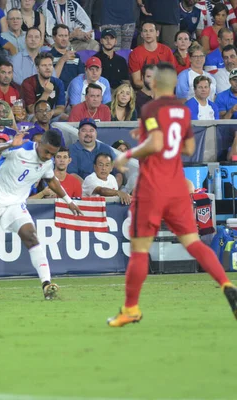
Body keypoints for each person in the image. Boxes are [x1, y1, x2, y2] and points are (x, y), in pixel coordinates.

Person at [108, 62, 237, 327]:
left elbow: (155, 142)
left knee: (140, 250)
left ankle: (131, 308)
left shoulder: (151, 108)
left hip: (153, 188)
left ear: (154, 83)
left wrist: (128, 153)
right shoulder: (181, 110)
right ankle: (226, 284)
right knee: (193, 243)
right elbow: (188, 147)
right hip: (178, 186)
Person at [0, 129, 82, 301]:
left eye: (52, 155)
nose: (48, 157)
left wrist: (68, 201)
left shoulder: (47, 162)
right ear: (40, 142)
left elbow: (51, 180)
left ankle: (47, 284)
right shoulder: (20, 149)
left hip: (15, 204)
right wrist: (9, 143)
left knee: (30, 235)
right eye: (47, 152)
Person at [67, 118, 118, 183]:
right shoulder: (71, 150)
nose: (88, 133)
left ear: (96, 133)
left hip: (108, 188)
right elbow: (71, 174)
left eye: (91, 130)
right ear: (78, 133)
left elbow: (119, 173)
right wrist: (89, 188)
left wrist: (115, 188)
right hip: (83, 190)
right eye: (84, 130)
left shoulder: (106, 149)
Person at [128, 22, 176, 90]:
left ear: (157, 33)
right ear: (141, 34)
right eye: (145, 31)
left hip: (163, 91)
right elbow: (137, 82)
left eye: (151, 30)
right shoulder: (135, 53)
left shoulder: (167, 51)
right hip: (144, 92)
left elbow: (171, 76)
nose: (148, 33)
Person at [21, 52, 65, 117]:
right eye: (44, 65)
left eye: (50, 65)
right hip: (33, 117)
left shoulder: (58, 83)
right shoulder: (28, 83)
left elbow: (61, 108)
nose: (48, 68)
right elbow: (31, 110)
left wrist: (51, 112)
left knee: (65, 117)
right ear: (37, 68)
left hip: (51, 116)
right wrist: (46, 93)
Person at [49, 24, 85, 89]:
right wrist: (63, 59)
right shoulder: (48, 57)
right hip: (55, 92)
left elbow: (81, 78)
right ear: (54, 38)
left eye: (66, 36)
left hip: (73, 93)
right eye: (60, 36)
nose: (64, 39)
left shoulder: (76, 56)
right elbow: (51, 79)